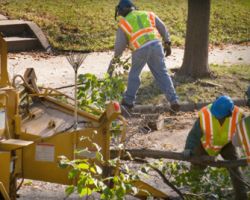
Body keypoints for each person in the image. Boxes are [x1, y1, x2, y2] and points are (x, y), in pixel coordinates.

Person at [108, 0, 179, 113]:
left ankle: (128, 102)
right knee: (162, 73)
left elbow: (120, 45)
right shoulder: (148, 14)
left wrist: (116, 58)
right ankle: (174, 101)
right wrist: (167, 42)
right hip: (156, 45)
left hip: (140, 49)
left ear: (121, 11)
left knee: (134, 75)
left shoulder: (124, 23)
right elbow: (162, 27)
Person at [183, 95, 248, 200]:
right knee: (196, 165)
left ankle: (242, 197)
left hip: (228, 144)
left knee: (235, 167)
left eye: (219, 116)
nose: (216, 116)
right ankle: (191, 194)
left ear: (229, 114)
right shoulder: (205, 114)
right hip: (206, 144)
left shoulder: (239, 115)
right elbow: (194, 134)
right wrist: (188, 148)